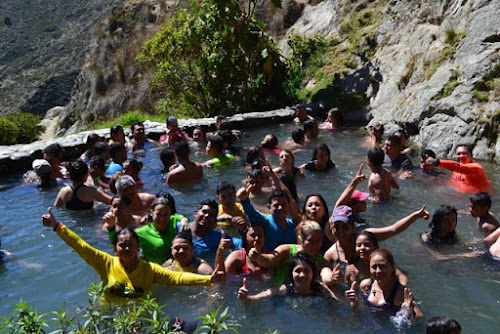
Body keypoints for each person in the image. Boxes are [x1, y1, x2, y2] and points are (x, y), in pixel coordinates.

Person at [41, 207, 223, 303]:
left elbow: (177, 278)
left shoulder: (150, 270)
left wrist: (207, 280)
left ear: (138, 247)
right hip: (110, 311)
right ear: (115, 247)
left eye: (131, 245)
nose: (127, 248)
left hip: (141, 315)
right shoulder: (104, 262)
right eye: (122, 245)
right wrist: (57, 227)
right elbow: (80, 246)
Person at [325, 205, 429, 266]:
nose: (340, 231)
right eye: (336, 227)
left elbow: (393, 229)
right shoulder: (331, 254)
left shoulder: (365, 237)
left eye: (345, 227)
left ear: (352, 227)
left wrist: (416, 215)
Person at [249, 220, 335, 286]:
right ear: (301, 239)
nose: (315, 245)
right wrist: (258, 256)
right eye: (311, 240)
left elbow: (326, 274)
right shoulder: (286, 251)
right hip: (278, 293)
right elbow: (269, 260)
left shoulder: (322, 262)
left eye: (318, 240)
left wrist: (332, 278)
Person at [345, 248, 422, 319]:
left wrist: (407, 312)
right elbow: (361, 311)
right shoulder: (365, 286)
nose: (378, 271)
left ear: (392, 267)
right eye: (374, 267)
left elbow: (419, 317)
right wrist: (354, 303)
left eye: (383, 266)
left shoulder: (401, 292)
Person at [238, 252, 338, 301]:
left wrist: (353, 303)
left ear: (313, 273)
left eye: (306, 271)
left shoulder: (321, 288)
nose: (302, 275)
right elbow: (258, 297)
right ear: (291, 273)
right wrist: (246, 297)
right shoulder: (286, 288)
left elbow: (339, 301)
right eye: (297, 271)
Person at [424, 144, 491, 193]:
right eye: (458, 154)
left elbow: (459, 167)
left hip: (479, 202)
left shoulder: (477, 168)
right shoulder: (456, 170)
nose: (461, 156)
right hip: (461, 197)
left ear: (471, 155)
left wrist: (437, 162)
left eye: (464, 153)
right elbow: (452, 183)